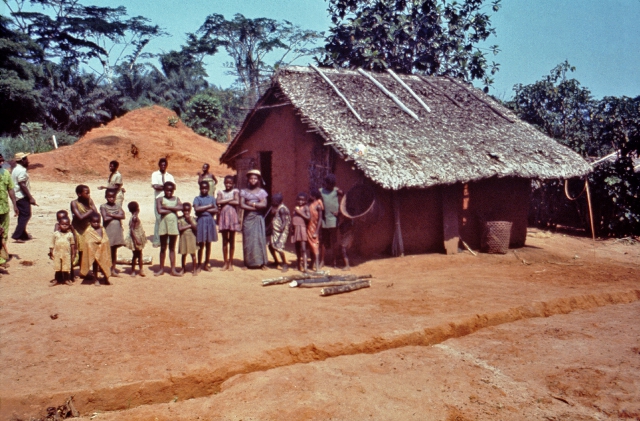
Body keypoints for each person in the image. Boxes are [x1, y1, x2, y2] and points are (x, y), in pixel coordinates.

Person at [239, 169, 268, 270]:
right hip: (248, 218)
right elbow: (242, 205)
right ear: (248, 179)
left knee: (259, 239)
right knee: (248, 240)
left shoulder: (262, 192)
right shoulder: (244, 191)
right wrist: (256, 207)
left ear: (258, 180)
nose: (253, 180)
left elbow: (264, 205)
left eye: (255, 178)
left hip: (258, 218)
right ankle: (247, 263)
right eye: (251, 178)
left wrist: (252, 204)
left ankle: (262, 263)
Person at [71, 184, 98, 279]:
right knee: (81, 250)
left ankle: (85, 270)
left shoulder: (89, 201)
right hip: (78, 229)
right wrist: (91, 211)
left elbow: (97, 214)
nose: (89, 195)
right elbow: (80, 217)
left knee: (89, 249)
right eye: (86, 193)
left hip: (87, 227)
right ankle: (82, 271)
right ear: (79, 194)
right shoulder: (74, 203)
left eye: (89, 193)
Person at [155, 181, 182, 276]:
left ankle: (173, 269)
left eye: (171, 191)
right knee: (163, 247)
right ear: (164, 190)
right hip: (164, 224)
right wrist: (173, 208)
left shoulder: (176, 198)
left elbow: (181, 207)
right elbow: (159, 210)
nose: (169, 192)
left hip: (173, 224)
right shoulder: (159, 199)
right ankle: (161, 269)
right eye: (167, 190)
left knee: (172, 247)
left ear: (173, 190)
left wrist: (166, 207)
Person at [319, 174, 343, 268]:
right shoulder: (321, 191)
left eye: (333, 184)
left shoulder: (337, 191)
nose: (331, 186)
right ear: (325, 183)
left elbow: (345, 199)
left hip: (333, 219)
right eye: (329, 184)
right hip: (324, 219)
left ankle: (334, 261)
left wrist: (340, 211)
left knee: (334, 241)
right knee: (324, 241)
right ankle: (322, 261)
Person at [216, 175, 240, 271]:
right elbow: (218, 201)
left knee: (232, 240)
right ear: (224, 183)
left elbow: (237, 202)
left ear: (233, 183)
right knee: (225, 241)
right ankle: (225, 262)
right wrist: (231, 199)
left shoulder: (235, 191)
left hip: (232, 217)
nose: (228, 185)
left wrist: (224, 201)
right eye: (226, 183)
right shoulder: (220, 192)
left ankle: (231, 262)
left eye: (230, 183)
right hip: (224, 217)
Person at [81, 212, 112, 286]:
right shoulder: (89, 231)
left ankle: (106, 278)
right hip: (93, 252)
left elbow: (105, 239)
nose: (96, 223)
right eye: (94, 222)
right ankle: (96, 279)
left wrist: (102, 244)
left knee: (105, 264)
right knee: (95, 266)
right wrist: (95, 245)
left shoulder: (102, 228)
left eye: (98, 222)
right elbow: (88, 242)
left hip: (103, 250)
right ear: (90, 222)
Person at [100, 189, 125, 277]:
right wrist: (116, 215)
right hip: (108, 231)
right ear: (106, 197)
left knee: (114, 251)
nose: (111, 199)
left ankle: (113, 269)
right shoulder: (103, 206)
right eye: (109, 197)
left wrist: (111, 214)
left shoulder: (117, 205)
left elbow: (123, 215)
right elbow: (105, 218)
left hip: (116, 231)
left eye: (113, 197)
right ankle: (105, 269)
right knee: (107, 250)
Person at [11, 152, 36, 243]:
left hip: (17, 195)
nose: (27, 160)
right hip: (21, 196)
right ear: (22, 160)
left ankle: (23, 234)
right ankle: (17, 235)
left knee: (22, 215)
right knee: (26, 215)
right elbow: (22, 184)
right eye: (25, 158)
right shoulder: (21, 171)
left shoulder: (15, 169)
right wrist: (30, 197)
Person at [193, 181, 218, 272]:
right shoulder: (197, 198)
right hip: (201, 221)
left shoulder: (212, 198)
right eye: (202, 188)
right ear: (200, 189)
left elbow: (215, 209)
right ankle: (199, 264)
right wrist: (209, 206)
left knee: (208, 244)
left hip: (210, 221)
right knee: (201, 244)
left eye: (206, 188)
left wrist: (203, 209)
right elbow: (196, 209)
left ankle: (206, 263)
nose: (204, 190)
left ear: (208, 189)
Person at [151, 158, 175, 247]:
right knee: (158, 219)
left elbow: (173, 187)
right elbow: (155, 186)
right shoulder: (155, 174)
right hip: (158, 199)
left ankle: (167, 240)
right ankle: (157, 240)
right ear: (159, 165)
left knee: (167, 219)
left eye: (165, 165)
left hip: (168, 200)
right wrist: (166, 187)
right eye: (162, 164)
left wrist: (162, 187)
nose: (163, 166)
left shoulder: (170, 176)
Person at [48, 216, 76, 285]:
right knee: (57, 267)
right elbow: (52, 243)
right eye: (63, 224)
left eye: (66, 225)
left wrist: (73, 253)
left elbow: (72, 244)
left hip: (66, 254)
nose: (64, 226)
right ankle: (57, 279)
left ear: (69, 225)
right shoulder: (55, 234)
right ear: (59, 225)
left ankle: (66, 279)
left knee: (66, 267)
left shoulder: (70, 234)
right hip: (57, 253)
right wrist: (51, 251)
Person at [267, 193, 291, 272]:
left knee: (279, 248)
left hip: (281, 232)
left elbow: (284, 221)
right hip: (276, 231)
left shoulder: (282, 209)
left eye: (275, 201)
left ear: (279, 201)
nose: (273, 202)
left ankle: (285, 264)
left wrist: (282, 228)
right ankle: (276, 261)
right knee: (270, 246)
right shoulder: (275, 207)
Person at [0, 154, 17, 259]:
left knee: (4, 233)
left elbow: (10, 189)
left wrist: (15, 205)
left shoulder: (6, 173)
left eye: (2, 160)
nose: (2, 162)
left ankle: (2, 256)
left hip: (4, 209)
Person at [124, 201, 146, 277]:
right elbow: (132, 230)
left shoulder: (133, 217)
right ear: (138, 209)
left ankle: (140, 270)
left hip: (137, 237)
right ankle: (134, 270)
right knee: (137, 255)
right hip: (136, 238)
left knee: (139, 255)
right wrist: (136, 240)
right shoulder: (134, 218)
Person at [178, 202, 198, 276]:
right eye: (184, 211)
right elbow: (180, 229)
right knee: (184, 254)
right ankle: (183, 268)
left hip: (192, 238)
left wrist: (189, 221)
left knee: (193, 254)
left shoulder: (192, 218)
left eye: (187, 211)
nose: (186, 212)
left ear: (190, 211)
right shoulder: (180, 219)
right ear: (182, 211)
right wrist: (189, 225)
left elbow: (195, 228)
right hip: (183, 238)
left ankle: (194, 269)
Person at [292, 192, 310, 272]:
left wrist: (300, 212)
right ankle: (298, 264)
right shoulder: (295, 208)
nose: (300, 202)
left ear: (305, 201)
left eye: (302, 200)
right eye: (299, 200)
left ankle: (305, 266)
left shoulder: (306, 207)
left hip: (302, 228)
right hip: (295, 229)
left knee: (303, 248)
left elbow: (308, 218)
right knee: (297, 248)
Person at [307, 190, 324, 272]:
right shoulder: (310, 204)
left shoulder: (318, 205)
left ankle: (317, 267)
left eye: (310, 195)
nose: (309, 196)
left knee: (315, 247)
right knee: (310, 247)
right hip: (309, 227)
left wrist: (316, 231)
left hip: (314, 228)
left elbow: (320, 219)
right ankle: (311, 264)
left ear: (314, 196)